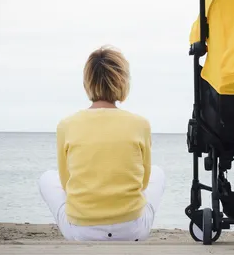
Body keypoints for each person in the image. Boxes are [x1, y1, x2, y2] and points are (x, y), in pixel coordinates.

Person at [38, 45, 166, 241]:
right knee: (158, 173)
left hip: (80, 232)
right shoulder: (141, 124)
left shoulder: (66, 125)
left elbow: (66, 183)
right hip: (132, 231)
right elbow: (144, 182)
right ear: (122, 81)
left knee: (47, 178)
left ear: (87, 82)